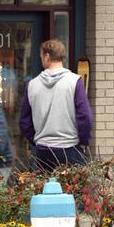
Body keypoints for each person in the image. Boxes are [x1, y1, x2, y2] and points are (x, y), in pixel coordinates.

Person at [19, 39, 93, 171]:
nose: (41, 59)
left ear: (47, 56)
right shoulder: (74, 81)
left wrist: (35, 140)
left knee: (43, 189)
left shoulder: (32, 85)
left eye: (41, 56)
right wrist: (83, 141)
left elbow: (25, 121)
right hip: (70, 149)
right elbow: (85, 117)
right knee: (73, 190)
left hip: (43, 151)